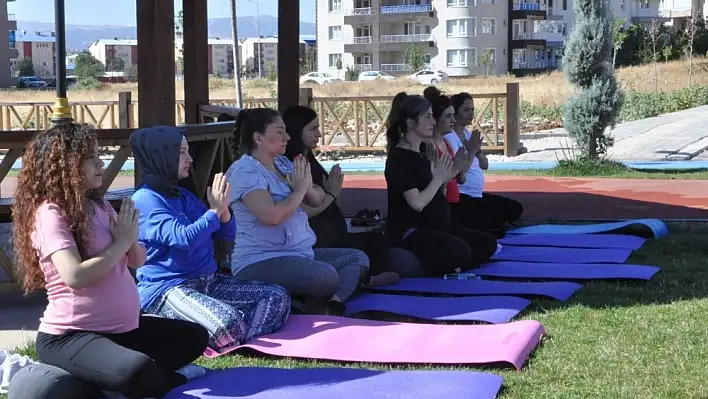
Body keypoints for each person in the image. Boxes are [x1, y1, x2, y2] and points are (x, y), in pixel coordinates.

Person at [11, 123, 209, 399]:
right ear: (65, 165)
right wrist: (120, 243)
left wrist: (131, 239)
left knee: (195, 337)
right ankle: (166, 380)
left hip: (122, 331)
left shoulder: (99, 205)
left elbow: (137, 261)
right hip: (71, 336)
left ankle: (111, 379)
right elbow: (75, 276)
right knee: (136, 370)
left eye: (98, 154)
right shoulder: (50, 213)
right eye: (90, 157)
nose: (100, 163)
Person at [130, 126, 291, 355]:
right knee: (228, 324)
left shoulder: (182, 195)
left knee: (278, 297)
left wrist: (223, 213)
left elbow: (227, 234)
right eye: (182, 153)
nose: (190, 159)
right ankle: (224, 330)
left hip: (208, 281)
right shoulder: (145, 200)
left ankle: (238, 338)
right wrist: (214, 212)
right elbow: (184, 238)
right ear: (162, 156)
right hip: (168, 289)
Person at [226, 108, 371, 313]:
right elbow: (272, 215)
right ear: (258, 138)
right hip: (262, 260)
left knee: (358, 258)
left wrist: (309, 189)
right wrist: (300, 190)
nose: (287, 137)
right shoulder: (244, 172)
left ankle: (331, 304)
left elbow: (317, 197)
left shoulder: (283, 163)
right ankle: (309, 302)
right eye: (280, 132)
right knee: (326, 276)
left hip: (299, 254)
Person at [282, 105, 399, 286]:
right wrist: (330, 194)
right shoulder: (290, 166)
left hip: (333, 228)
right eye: (312, 129)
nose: (319, 134)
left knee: (378, 241)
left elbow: (328, 198)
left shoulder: (309, 161)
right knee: (354, 249)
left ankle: (365, 278)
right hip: (316, 236)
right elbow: (302, 210)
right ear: (296, 131)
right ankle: (363, 280)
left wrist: (331, 195)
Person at [384, 94, 499, 277]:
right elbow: (417, 203)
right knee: (461, 251)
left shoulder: (422, 153)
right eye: (427, 117)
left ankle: (448, 266)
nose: (432, 122)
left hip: (437, 227)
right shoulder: (399, 158)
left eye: (432, 116)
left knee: (488, 243)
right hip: (412, 230)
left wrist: (446, 176)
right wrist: (439, 177)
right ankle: (421, 265)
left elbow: (439, 192)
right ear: (411, 123)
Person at [445, 92, 523, 234]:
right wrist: (472, 151)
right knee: (486, 215)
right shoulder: (449, 137)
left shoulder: (469, 134)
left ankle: (495, 225)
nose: (471, 114)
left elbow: (485, 165)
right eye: (466, 110)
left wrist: (477, 151)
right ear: (455, 113)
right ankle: (494, 226)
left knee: (514, 207)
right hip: (462, 194)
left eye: (472, 110)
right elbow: (459, 173)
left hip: (477, 194)